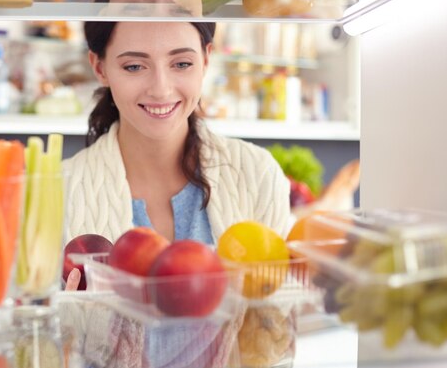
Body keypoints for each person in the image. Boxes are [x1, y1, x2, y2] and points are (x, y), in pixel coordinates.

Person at [62, 20, 291, 290]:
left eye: (181, 64)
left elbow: (276, 317)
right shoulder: (58, 189)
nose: (161, 89)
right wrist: (70, 320)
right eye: (134, 66)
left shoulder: (257, 173)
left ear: (206, 60)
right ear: (100, 68)